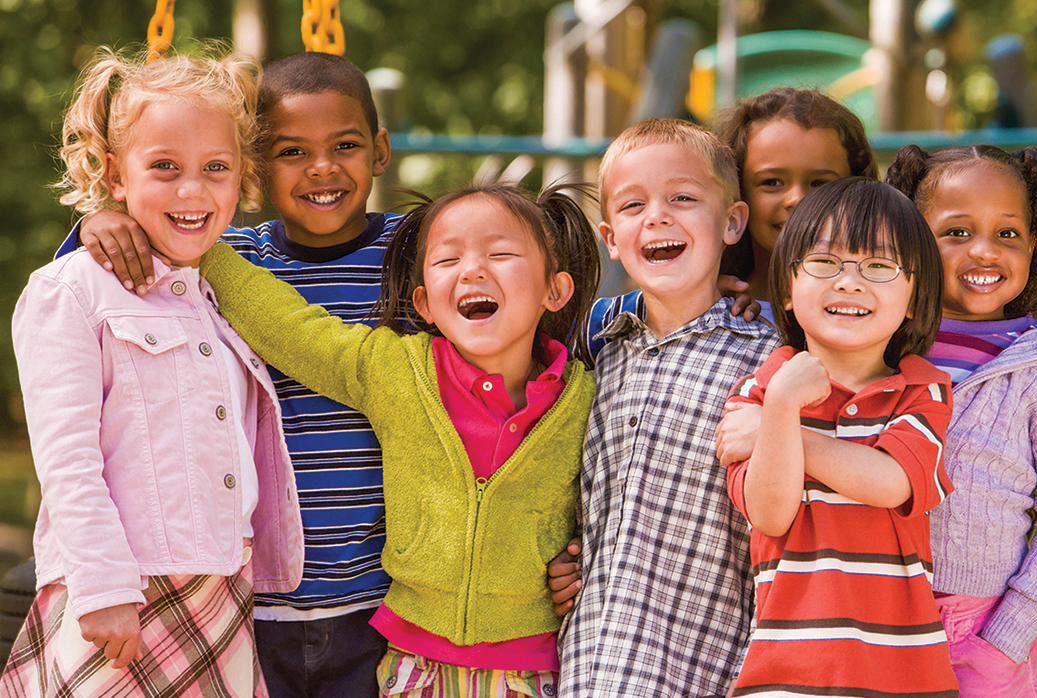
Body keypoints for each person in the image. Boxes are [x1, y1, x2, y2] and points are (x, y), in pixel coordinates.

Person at [59, 52, 401, 698]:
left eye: (346, 146)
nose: (322, 168)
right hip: (252, 606)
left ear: (380, 150)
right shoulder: (229, 258)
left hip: (374, 605)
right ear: (255, 167)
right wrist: (97, 225)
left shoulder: (412, 253)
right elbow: (155, 246)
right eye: (291, 151)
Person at [197, 180, 600, 697]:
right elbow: (293, 328)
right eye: (448, 260)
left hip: (535, 666)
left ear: (555, 290)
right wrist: (197, 250)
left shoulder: (586, 397)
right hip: (414, 666)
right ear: (425, 304)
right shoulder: (395, 371)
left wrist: (580, 553)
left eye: (500, 253)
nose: (473, 269)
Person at [1, 45, 303, 697]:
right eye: (164, 167)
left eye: (215, 168)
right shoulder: (72, 291)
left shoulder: (219, 291)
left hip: (221, 588)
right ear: (115, 174)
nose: (192, 190)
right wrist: (104, 587)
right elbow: (68, 459)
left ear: (241, 174)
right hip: (122, 593)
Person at [556, 118, 780, 698]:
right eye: (634, 205)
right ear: (611, 237)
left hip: (712, 661)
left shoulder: (769, 358)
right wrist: (564, 557)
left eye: (682, 198)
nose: (657, 216)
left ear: (732, 222)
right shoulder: (594, 350)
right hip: (592, 655)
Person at [722, 178, 957, 696]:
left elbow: (891, 482)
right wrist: (781, 403)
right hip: (786, 676)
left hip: (903, 675)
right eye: (825, 263)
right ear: (786, 288)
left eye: (878, 267)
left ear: (915, 298)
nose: (850, 283)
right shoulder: (757, 393)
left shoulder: (921, 389)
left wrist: (779, 431)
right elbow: (770, 512)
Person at [884, 143, 1037, 697]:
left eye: (1007, 234)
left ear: (1035, 243)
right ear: (911, 241)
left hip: (983, 633)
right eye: (956, 233)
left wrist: (1003, 640)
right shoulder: (876, 347)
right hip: (873, 616)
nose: (984, 251)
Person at [714, 87, 877, 306]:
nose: (797, 199)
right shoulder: (712, 303)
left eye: (820, 184)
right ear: (737, 191)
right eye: (772, 182)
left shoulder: (880, 303)